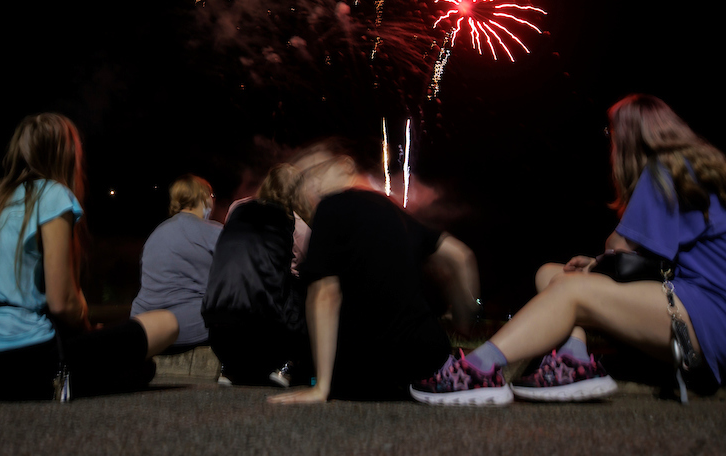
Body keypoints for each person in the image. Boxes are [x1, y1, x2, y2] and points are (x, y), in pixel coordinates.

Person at [410, 94, 726, 406]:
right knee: (553, 274)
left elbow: (618, 246)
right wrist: (597, 264)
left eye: (612, 132)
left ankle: (479, 370)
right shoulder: (692, 169)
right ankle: (573, 361)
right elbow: (650, 256)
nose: (610, 141)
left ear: (631, 136)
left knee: (572, 288)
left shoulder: (666, 171)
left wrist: (601, 260)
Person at [0, 113, 178, 400]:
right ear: (68, 155)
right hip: (14, 361)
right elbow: (62, 304)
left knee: (130, 364)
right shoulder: (53, 194)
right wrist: (87, 327)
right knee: (166, 323)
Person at [269, 141, 480, 403]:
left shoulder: (331, 207)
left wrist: (321, 387)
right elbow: (461, 257)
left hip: (369, 368)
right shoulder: (391, 208)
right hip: (427, 357)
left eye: (315, 171)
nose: (310, 184)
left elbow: (324, 295)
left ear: (344, 166)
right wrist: (464, 319)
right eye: (303, 179)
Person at [202, 164, 311, 386]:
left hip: (216, 312)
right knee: (303, 286)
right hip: (263, 317)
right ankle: (287, 365)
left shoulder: (237, 207)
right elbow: (300, 268)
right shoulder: (297, 224)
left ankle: (228, 366)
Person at [130, 174, 222, 351]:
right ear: (203, 198)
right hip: (189, 326)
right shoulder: (214, 233)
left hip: (145, 325)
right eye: (211, 196)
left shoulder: (155, 234)